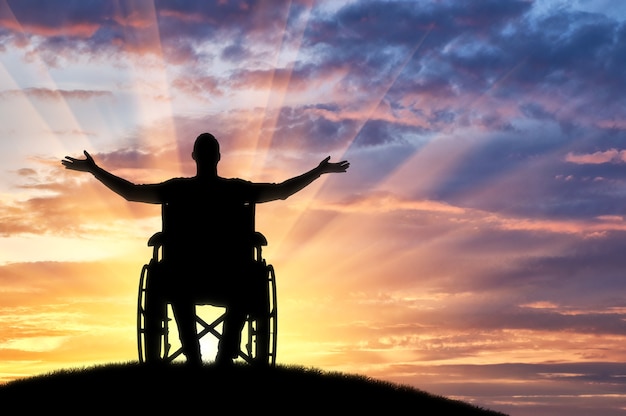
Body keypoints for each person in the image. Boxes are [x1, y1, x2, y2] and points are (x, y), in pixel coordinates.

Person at [62, 132, 349, 365]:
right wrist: (319, 171)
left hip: (183, 280)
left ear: (194, 157)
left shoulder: (176, 190)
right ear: (219, 158)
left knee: (177, 281)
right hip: (232, 280)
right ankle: (225, 354)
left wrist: (94, 170)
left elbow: (131, 193)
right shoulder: (237, 190)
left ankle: (194, 358)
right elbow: (282, 191)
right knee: (244, 279)